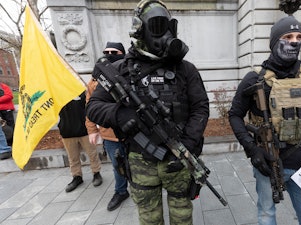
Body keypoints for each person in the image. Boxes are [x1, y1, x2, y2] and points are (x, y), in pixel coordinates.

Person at [86, 0, 209, 224]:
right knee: (149, 219)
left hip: (178, 158)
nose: (165, 34)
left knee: (182, 216)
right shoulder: (120, 70)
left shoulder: (185, 69)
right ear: (140, 29)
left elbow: (201, 107)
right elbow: (93, 107)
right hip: (139, 158)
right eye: (157, 26)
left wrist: (189, 144)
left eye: (168, 26)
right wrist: (118, 114)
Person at [229, 16, 301, 225]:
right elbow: (235, 115)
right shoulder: (254, 79)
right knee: (266, 216)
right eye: (288, 36)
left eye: (299, 37)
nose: (294, 41)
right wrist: (252, 150)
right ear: (274, 42)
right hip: (269, 163)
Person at [85, 41, 129, 211]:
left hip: (133, 131)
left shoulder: (129, 72)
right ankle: (121, 191)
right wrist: (92, 130)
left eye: (114, 52)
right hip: (109, 133)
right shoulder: (95, 80)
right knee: (118, 166)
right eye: (106, 51)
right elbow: (89, 106)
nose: (109, 54)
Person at [59, 91, 103, 192]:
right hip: (67, 131)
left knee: (92, 154)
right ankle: (77, 177)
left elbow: (89, 106)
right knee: (73, 158)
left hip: (84, 130)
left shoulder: (80, 91)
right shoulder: (58, 92)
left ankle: (96, 173)